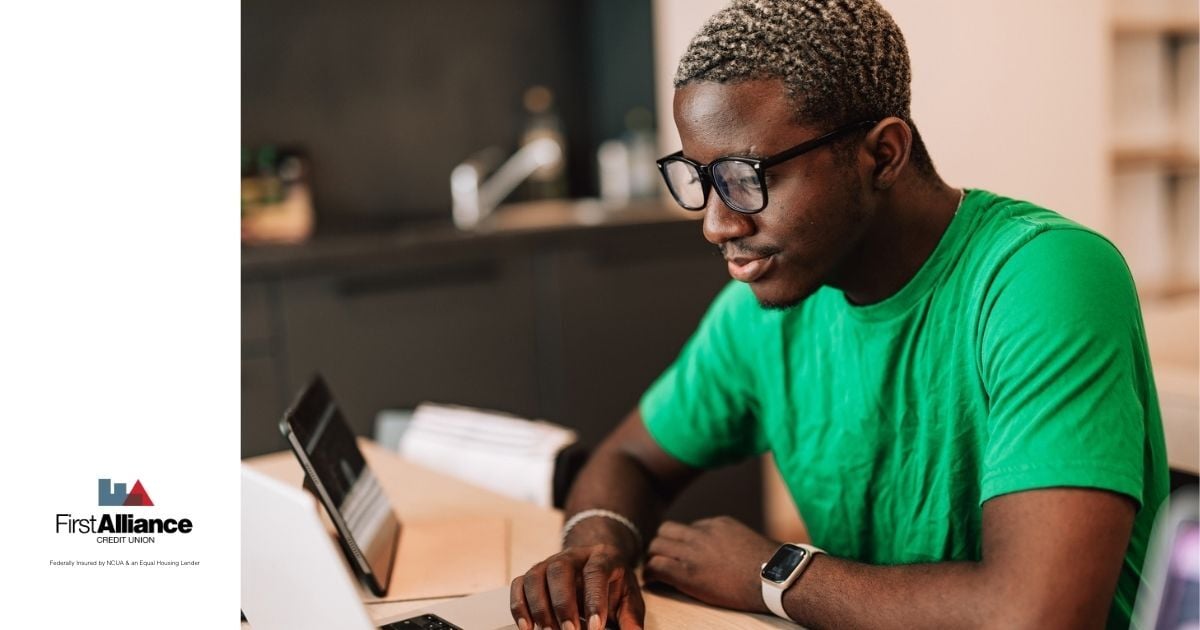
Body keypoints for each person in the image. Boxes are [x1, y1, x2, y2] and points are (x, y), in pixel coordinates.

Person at [509, 1, 1169, 629]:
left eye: (745, 177)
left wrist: (775, 573)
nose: (716, 224)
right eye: (700, 179)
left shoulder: (1042, 277)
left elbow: (1038, 615)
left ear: (882, 155)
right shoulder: (763, 310)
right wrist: (597, 549)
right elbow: (629, 457)